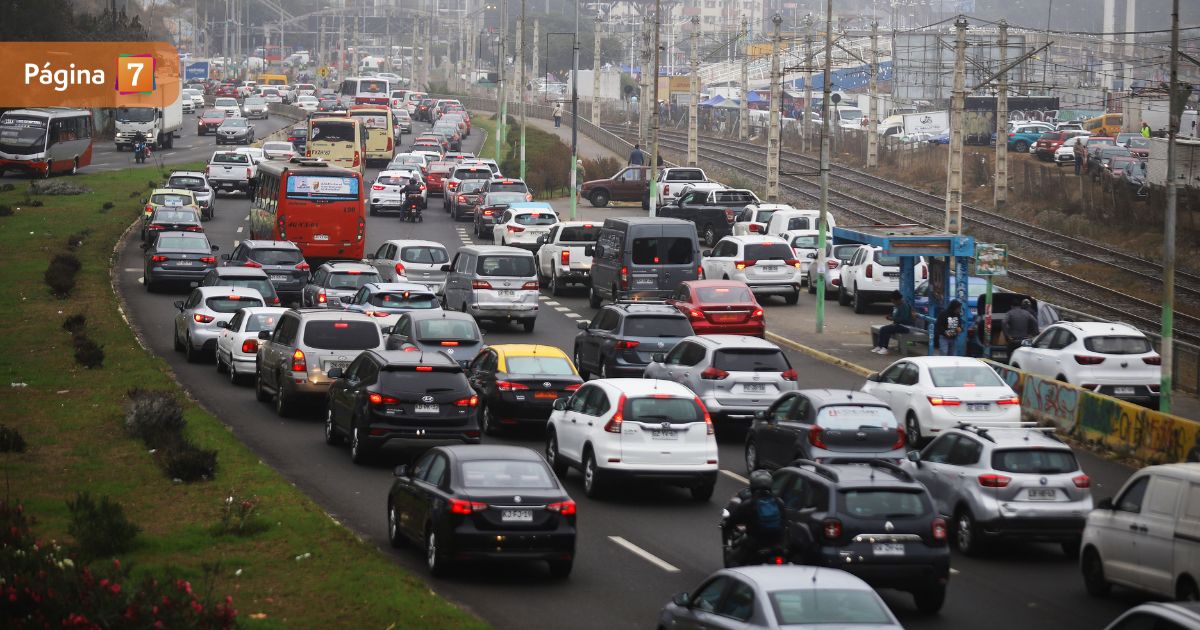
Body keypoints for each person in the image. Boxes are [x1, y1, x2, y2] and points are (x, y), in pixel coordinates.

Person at [724, 470, 788, 567]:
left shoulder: (749, 504)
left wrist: (727, 526)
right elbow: (785, 522)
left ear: (752, 486)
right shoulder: (779, 502)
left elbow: (731, 521)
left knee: (733, 561)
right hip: (777, 545)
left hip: (755, 545)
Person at [873, 290, 913, 354]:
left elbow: (904, 319)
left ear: (898, 300)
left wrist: (892, 318)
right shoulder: (898, 305)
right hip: (898, 325)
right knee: (884, 329)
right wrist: (891, 316)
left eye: (893, 301)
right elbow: (896, 315)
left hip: (905, 326)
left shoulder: (904, 306)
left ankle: (884, 348)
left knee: (885, 329)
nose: (893, 303)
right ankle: (880, 346)